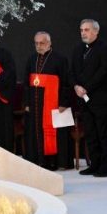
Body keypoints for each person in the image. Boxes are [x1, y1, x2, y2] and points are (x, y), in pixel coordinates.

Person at [71, 19, 107, 177]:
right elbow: (73, 71)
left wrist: (86, 88)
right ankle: (94, 164)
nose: (83, 33)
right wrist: (76, 86)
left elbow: (104, 71)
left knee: (103, 133)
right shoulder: (77, 49)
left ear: (96, 31)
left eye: (87, 30)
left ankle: (106, 166)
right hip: (83, 99)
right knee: (90, 133)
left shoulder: (105, 48)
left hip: (100, 98)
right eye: (81, 30)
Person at [23, 31, 74, 170]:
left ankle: (54, 162)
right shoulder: (31, 59)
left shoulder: (60, 59)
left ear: (49, 43)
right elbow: (26, 83)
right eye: (36, 43)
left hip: (54, 105)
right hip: (35, 104)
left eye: (42, 43)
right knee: (36, 132)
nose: (39, 46)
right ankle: (38, 161)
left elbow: (66, 83)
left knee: (55, 133)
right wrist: (27, 103)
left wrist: (64, 102)